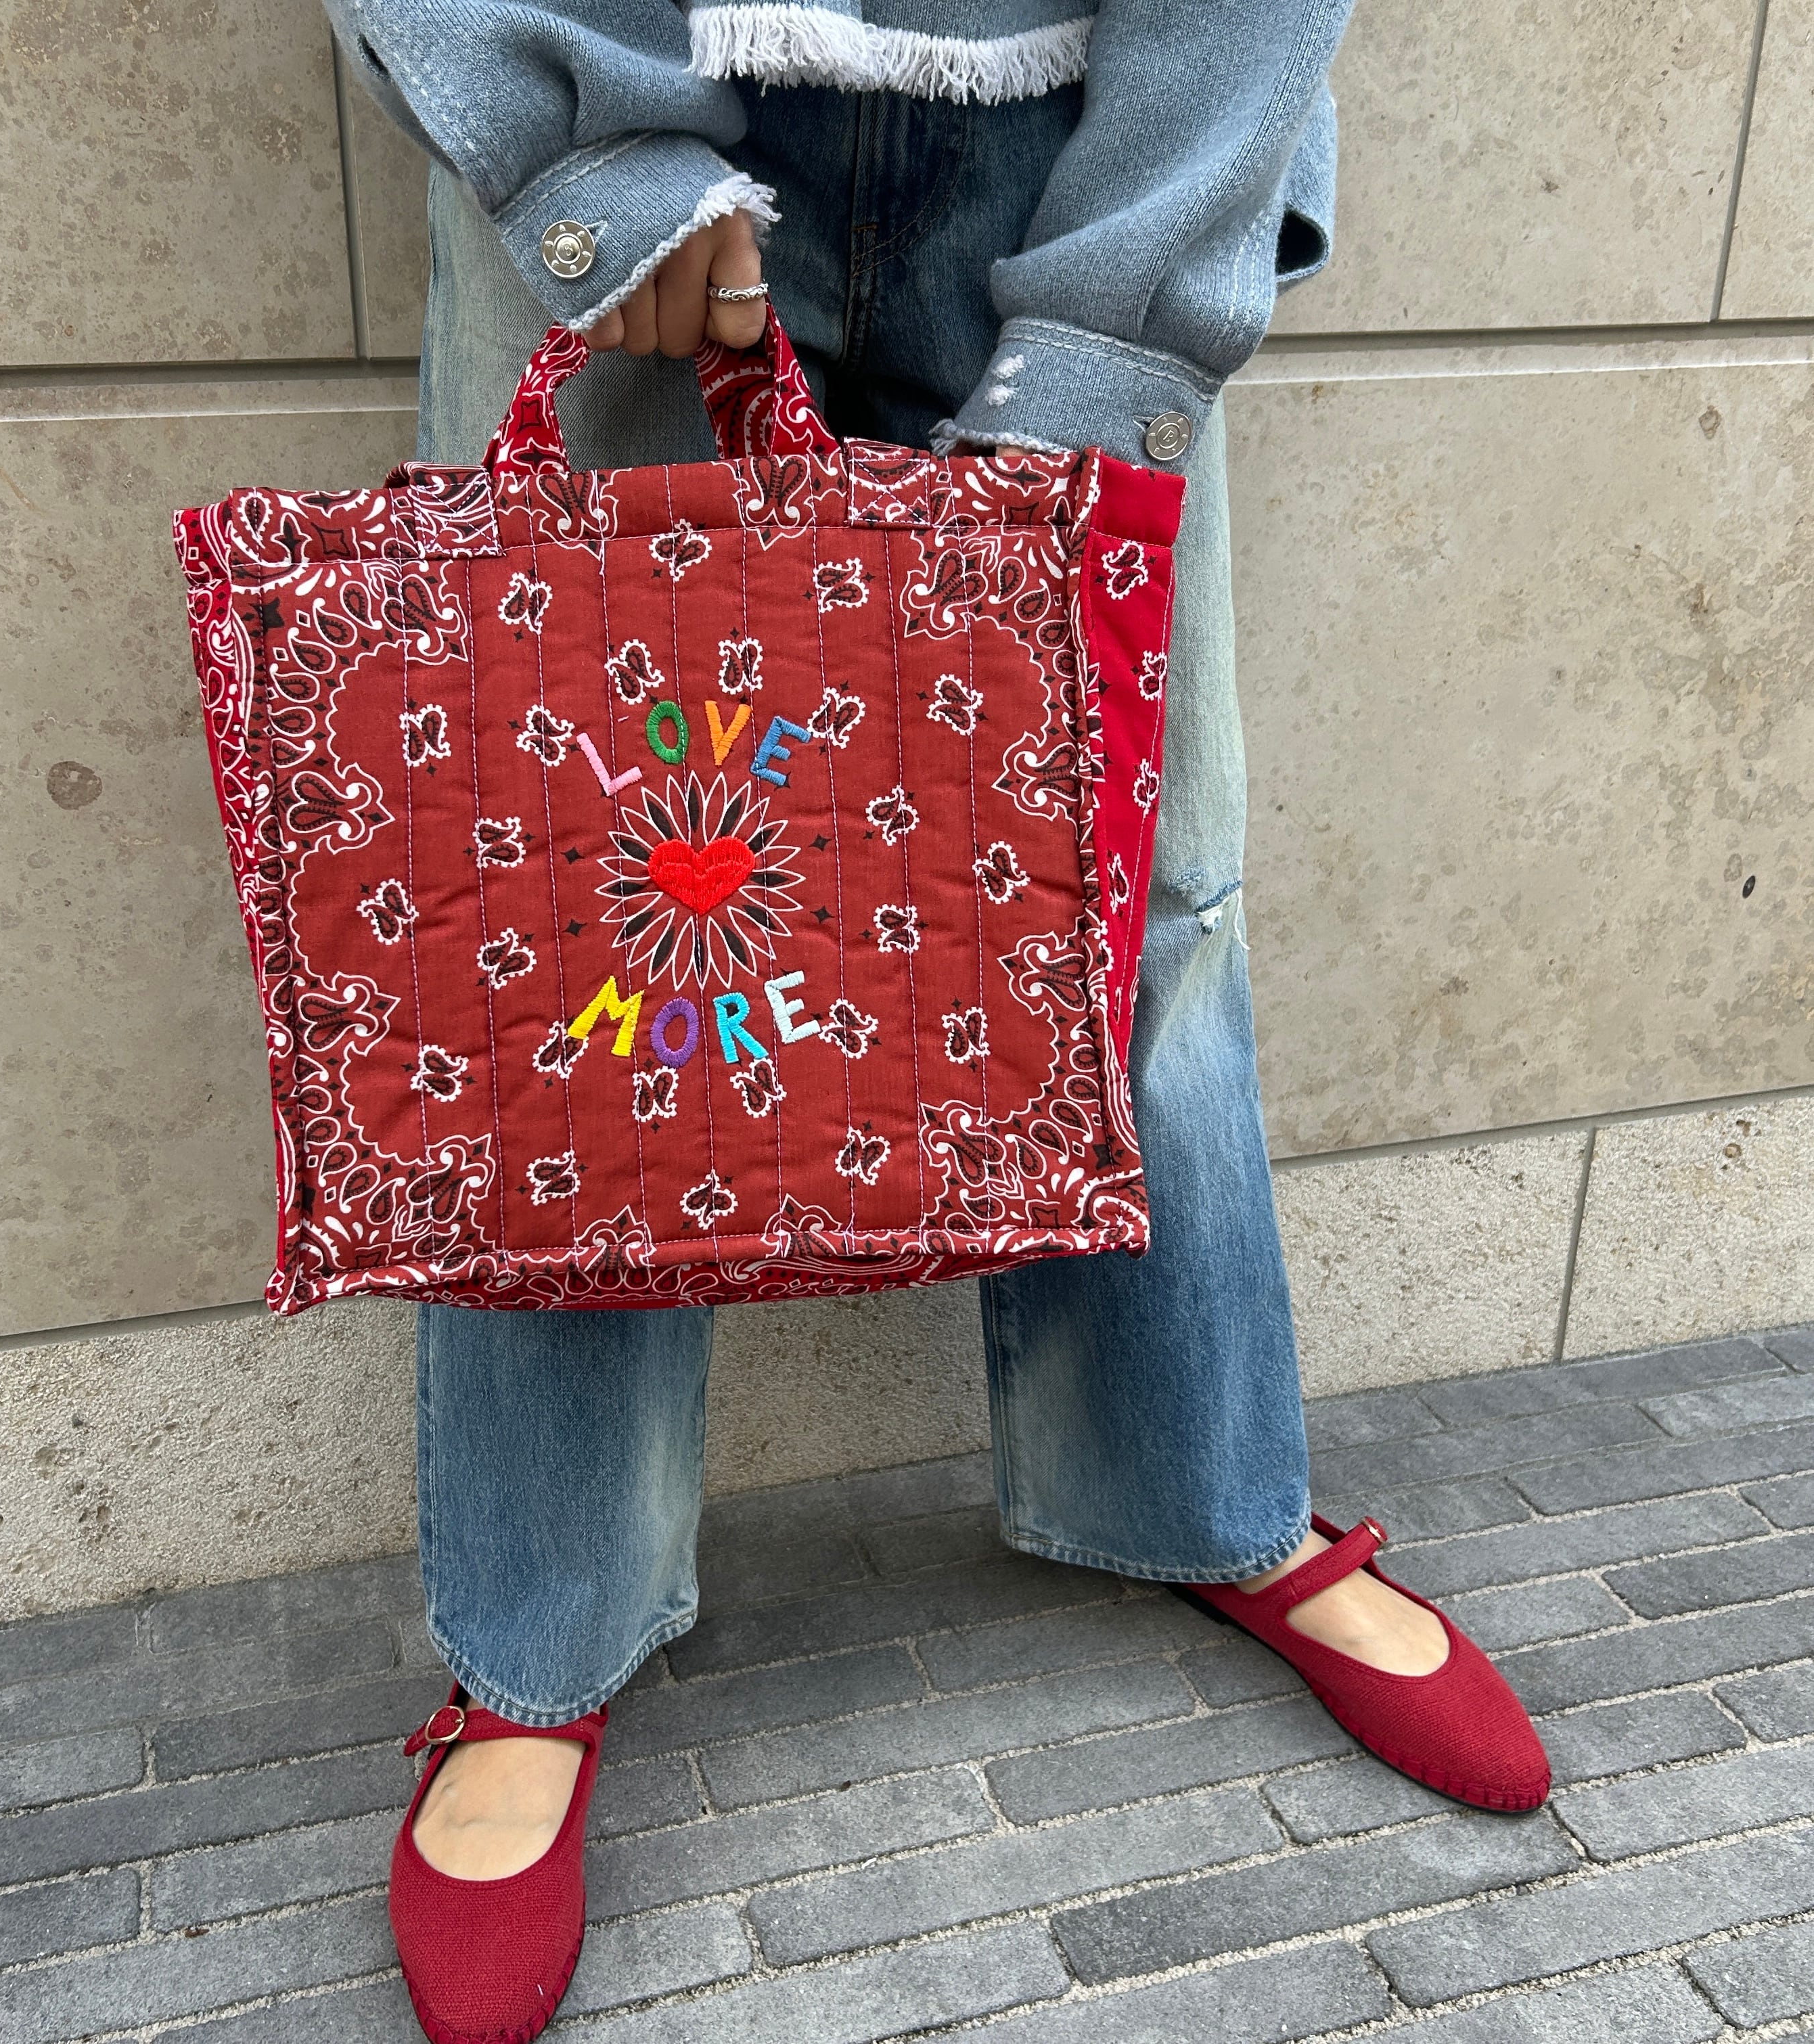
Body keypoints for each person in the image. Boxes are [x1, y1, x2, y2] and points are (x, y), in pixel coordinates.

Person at [322, 5, 1553, 2037]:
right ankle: (541, 1640)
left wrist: (1134, 300)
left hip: (1091, 142)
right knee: (564, 945)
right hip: (632, 80)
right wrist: (583, 148)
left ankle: (1200, 1492)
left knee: (1146, 892)